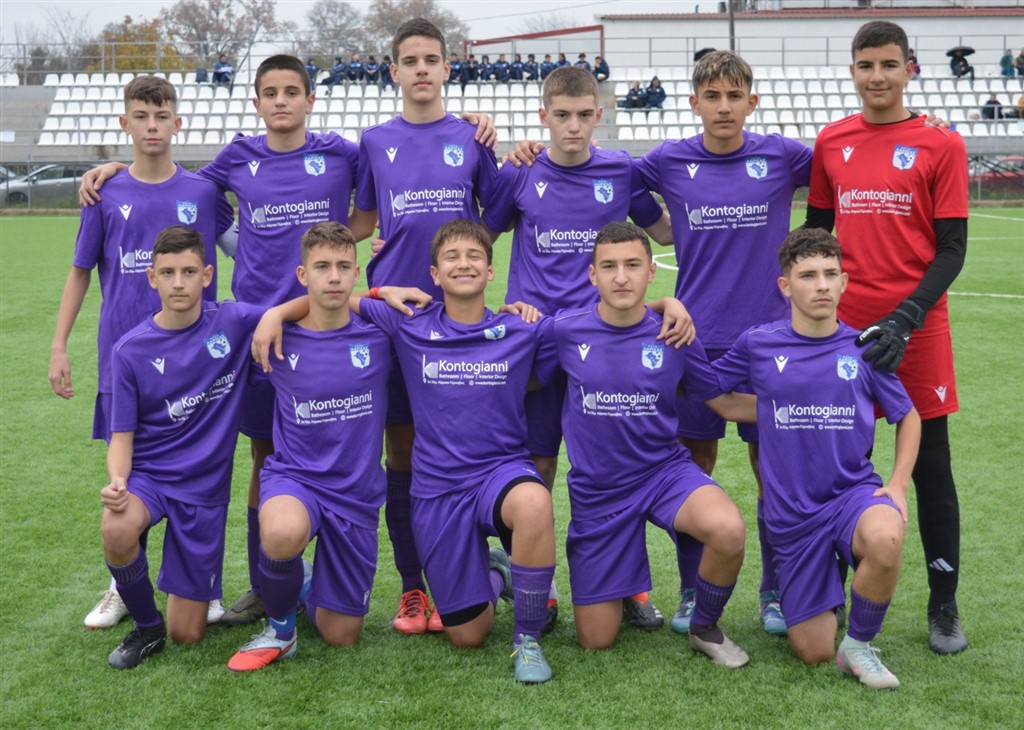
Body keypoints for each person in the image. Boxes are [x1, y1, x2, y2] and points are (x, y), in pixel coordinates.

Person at [80, 54, 370, 628]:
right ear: (256, 103)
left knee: (336, 442)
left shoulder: (343, 153)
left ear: (310, 100)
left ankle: (336, 575)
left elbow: (386, 189)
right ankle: (266, 584)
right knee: (264, 455)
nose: (282, 101)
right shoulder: (236, 158)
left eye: (292, 91)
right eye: (271, 92)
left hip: (324, 326)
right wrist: (115, 168)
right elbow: (170, 180)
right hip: (256, 331)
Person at [483, 66, 676, 632]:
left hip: (607, 340)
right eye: (562, 115)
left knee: (619, 465)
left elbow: (664, 232)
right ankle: (535, 587)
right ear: (543, 116)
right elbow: (478, 240)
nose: (573, 126)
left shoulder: (620, 170)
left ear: (599, 115)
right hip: (539, 343)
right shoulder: (520, 171)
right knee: (538, 465)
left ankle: (632, 585)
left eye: (584, 115)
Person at [635, 50, 813, 638]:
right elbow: (615, 179)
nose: (724, 107)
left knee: (775, 474)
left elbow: (848, 164)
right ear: (694, 103)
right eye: (712, 96)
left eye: (735, 96)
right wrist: (661, 228)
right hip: (693, 341)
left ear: (751, 102)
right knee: (694, 468)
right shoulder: (669, 159)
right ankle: (692, 588)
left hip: (772, 345)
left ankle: (776, 591)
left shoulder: (781, 155)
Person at [806, 20, 970, 655]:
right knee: (834, 462)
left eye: (888, 64)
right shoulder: (832, 141)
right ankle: (827, 594)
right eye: (866, 65)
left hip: (917, 330)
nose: (877, 76)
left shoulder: (941, 143)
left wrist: (906, 316)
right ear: (852, 70)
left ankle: (944, 605)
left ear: (910, 69)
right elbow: (815, 239)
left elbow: (952, 250)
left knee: (931, 465)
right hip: (842, 330)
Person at [51, 75, 234, 631]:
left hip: (196, 366)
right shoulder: (103, 192)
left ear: (178, 123)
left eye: (161, 116)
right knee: (125, 474)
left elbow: (244, 247)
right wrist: (59, 345)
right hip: (124, 361)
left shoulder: (203, 192)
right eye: (141, 116)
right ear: (124, 123)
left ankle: (205, 586)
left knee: (200, 469)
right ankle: (122, 587)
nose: (152, 126)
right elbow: (80, 272)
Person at [533, 221, 754, 667]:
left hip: (663, 473)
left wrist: (806, 401)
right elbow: (516, 376)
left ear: (651, 271)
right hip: (599, 492)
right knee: (595, 640)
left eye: (633, 265)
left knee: (728, 529)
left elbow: (724, 403)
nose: (621, 277)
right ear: (592, 274)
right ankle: (624, 582)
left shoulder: (674, 334)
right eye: (609, 267)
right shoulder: (564, 331)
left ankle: (704, 626)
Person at [713, 227, 921, 689]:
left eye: (830, 274)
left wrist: (898, 485)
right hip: (793, 516)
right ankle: (822, 595)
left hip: (852, 496)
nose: (822, 285)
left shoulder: (864, 347)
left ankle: (859, 644)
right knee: (812, 652)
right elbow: (719, 397)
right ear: (785, 286)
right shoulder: (759, 344)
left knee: (886, 535)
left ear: (844, 282)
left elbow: (908, 416)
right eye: (808, 275)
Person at [353, 17, 502, 636]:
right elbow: (362, 221)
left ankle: (465, 577)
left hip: (457, 319)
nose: (421, 69)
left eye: (431, 59)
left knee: (461, 446)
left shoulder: (472, 137)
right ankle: (413, 587)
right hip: (396, 318)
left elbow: (502, 210)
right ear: (394, 71)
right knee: (403, 452)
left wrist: (463, 270)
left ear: (447, 68)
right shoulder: (373, 141)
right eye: (409, 60)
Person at [226, 223, 426, 671]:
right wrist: (274, 314)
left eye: (342, 266)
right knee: (282, 532)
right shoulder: (275, 334)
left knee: (342, 636)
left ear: (356, 273)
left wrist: (380, 294)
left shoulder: (381, 333)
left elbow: (446, 316)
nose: (333, 276)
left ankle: (302, 582)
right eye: (321, 267)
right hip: (296, 480)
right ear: (302, 274)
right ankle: (280, 631)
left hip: (355, 496)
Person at [101, 226, 264, 669]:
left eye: (189, 272)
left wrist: (374, 294)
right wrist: (118, 481)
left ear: (207, 275)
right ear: (151, 278)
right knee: (117, 527)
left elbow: (304, 306)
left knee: (188, 634)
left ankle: (183, 607)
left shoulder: (232, 322)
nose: (178, 283)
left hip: (204, 492)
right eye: (168, 272)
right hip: (151, 479)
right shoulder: (129, 351)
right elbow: (121, 438)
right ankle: (146, 627)